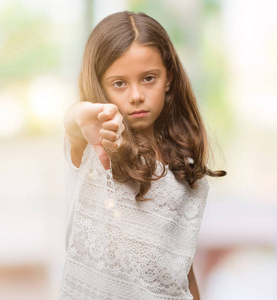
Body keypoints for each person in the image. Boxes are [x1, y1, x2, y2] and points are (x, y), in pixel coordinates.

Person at [58, 11, 226, 300]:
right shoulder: (97, 145)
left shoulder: (183, 169)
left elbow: (182, 270)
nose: (136, 95)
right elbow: (75, 124)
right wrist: (81, 114)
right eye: (119, 83)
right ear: (100, 85)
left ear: (169, 78)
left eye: (149, 78)